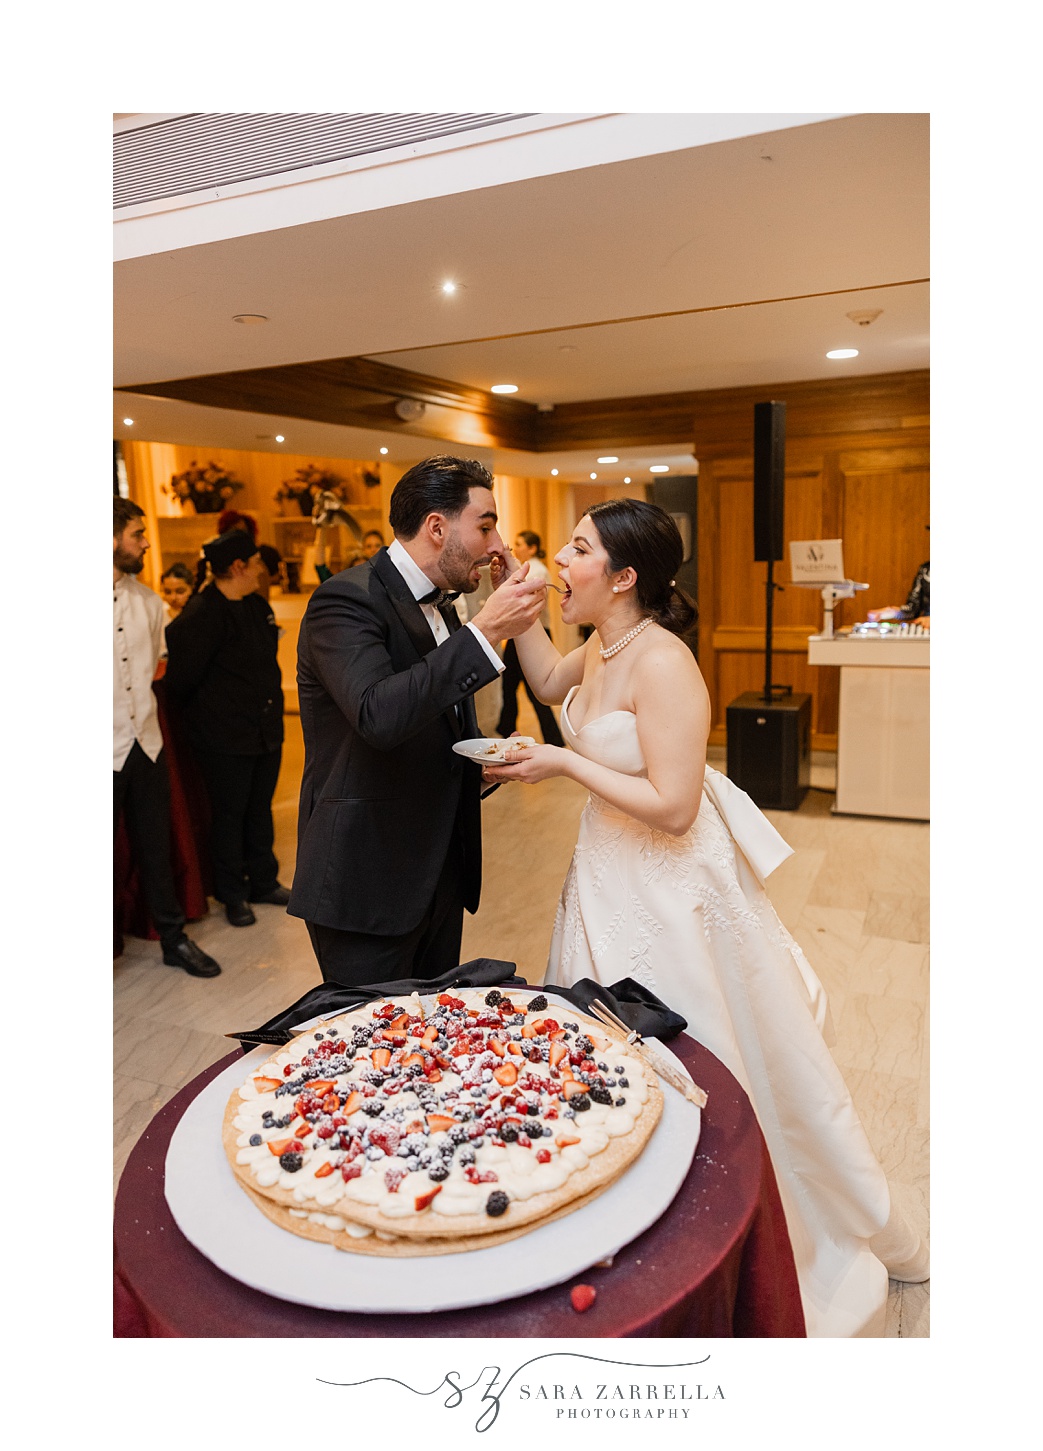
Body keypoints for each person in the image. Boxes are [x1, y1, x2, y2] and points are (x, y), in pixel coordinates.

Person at [481, 497, 929, 1338]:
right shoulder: (601, 645)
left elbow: (676, 805)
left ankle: (740, 1240)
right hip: (604, 878)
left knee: (716, 1065)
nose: (560, 560)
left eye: (575, 550)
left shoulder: (663, 662)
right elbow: (544, 683)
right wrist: (521, 605)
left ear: (623, 576)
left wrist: (564, 763)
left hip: (670, 890)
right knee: (611, 1063)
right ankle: (634, 1225)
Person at [287, 454, 548, 987]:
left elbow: (429, 716)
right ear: (436, 527)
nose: (498, 545)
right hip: (366, 880)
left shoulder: (445, 605)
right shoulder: (344, 600)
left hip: (436, 873)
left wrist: (479, 761)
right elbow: (378, 715)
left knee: (428, 1042)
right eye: (486, 524)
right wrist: (486, 630)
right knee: (372, 1050)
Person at [113, 497, 221, 978]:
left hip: (147, 744)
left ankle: (173, 938)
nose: (145, 543)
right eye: (137, 534)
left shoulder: (150, 602)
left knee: (156, 845)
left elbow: (158, 668)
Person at [164, 531, 290, 927]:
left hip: (264, 729)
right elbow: (180, 682)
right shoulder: (200, 615)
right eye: (255, 563)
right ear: (238, 567)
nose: (261, 570)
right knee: (229, 815)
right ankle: (232, 892)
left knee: (259, 809)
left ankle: (263, 880)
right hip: (223, 737)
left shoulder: (256, 605)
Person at [495, 531, 565, 746]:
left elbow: (524, 603)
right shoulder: (529, 569)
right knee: (509, 686)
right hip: (520, 635)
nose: (517, 547)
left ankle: (551, 738)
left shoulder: (537, 571)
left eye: (520, 543)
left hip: (533, 635)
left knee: (536, 692)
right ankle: (507, 729)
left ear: (532, 548)